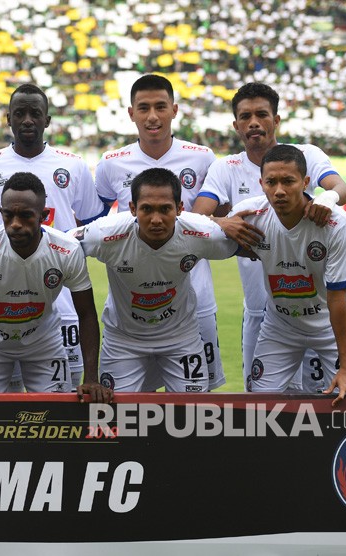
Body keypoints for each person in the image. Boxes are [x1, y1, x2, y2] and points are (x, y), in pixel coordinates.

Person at [192, 82, 346, 392]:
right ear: (236, 125)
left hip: (317, 305)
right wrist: (221, 222)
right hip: (263, 309)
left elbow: (342, 189)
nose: (254, 122)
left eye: (262, 114)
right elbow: (198, 218)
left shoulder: (305, 154)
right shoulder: (225, 168)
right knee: (263, 404)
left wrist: (326, 199)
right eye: (245, 116)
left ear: (276, 119)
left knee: (325, 400)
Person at [0, 83, 107, 389]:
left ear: (47, 120)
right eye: (20, 113)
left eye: (35, 113)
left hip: (61, 299)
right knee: (0, 402)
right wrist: (8, 218)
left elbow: (90, 218)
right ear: (7, 118)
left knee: (62, 395)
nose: (27, 120)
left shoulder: (73, 165)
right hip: (2, 295)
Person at [94, 74, 224, 390]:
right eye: (144, 108)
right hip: (133, 304)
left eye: (160, 107)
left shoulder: (202, 157)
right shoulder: (111, 163)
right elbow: (96, 222)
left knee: (195, 402)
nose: (153, 116)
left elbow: (220, 220)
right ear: (131, 113)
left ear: (174, 110)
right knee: (127, 406)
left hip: (196, 298)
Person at [0, 172, 112, 410]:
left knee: (57, 418)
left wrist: (91, 379)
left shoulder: (66, 250)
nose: (15, 224)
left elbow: (86, 314)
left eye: (26, 216)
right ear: (0, 213)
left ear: (43, 215)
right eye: (8, 215)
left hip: (44, 345)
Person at [73, 168, 239, 392]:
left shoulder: (202, 231)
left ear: (180, 208)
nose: (156, 219)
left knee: (193, 414)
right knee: (114, 415)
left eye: (165, 209)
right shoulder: (104, 233)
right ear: (132, 209)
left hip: (181, 337)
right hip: (124, 339)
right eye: (146, 209)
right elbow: (61, 248)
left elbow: (252, 245)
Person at [229, 145, 346, 405]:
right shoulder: (249, 216)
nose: (279, 190)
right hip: (281, 327)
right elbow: (203, 240)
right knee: (259, 406)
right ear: (261, 183)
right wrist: (219, 223)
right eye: (271, 182)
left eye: (288, 181)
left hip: (330, 325)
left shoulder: (336, 223)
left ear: (305, 182)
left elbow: (337, 297)